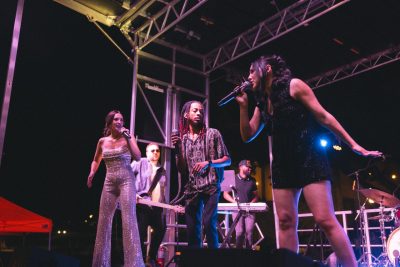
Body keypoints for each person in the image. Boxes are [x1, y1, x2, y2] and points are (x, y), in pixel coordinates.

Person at [235, 55, 383, 267]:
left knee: (325, 219)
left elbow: (324, 117)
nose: (248, 76)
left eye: (251, 70)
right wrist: (243, 107)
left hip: (308, 158)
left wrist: (354, 145)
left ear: (266, 69)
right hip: (282, 164)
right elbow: (247, 135)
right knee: (285, 222)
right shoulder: (262, 100)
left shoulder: (294, 86)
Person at [87, 110, 144, 267]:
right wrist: (92, 172)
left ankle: (134, 264)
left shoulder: (128, 138)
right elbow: (96, 159)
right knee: (104, 221)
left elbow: (138, 157)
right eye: (116, 119)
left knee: (128, 219)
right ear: (110, 122)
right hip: (109, 181)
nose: (120, 122)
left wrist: (129, 138)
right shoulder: (102, 141)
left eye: (122, 120)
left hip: (126, 181)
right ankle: (101, 263)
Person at [171, 100, 231, 248]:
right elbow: (182, 169)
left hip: (211, 186)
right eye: (195, 110)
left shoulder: (213, 133)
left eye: (201, 111)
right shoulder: (183, 139)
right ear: (186, 115)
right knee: (192, 230)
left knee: (209, 223)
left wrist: (208, 163)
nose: (199, 113)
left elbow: (227, 160)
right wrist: (178, 149)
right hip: (192, 188)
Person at [131, 143, 167, 267]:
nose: (155, 152)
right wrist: (133, 193)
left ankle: (151, 257)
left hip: (157, 207)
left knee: (161, 229)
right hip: (142, 205)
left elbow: (162, 190)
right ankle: (139, 260)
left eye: (157, 150)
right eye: (152, 150)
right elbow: (127, 177)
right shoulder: (139, 162)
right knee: (139, 233)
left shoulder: (162, 170)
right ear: (146, 152)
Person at [223, 159, 258, 249]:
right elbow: (225, 194)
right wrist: (234, 202)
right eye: (248, 167)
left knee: (249, 232)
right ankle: (239, 256)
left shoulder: (252, 180)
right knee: (239, 232)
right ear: (241, 167)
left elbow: (256, 196)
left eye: (250, 167)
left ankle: (249, 255)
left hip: (250, 210)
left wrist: (251, 203)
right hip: (236, 209)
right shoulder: (233, 178)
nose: (250, 169)